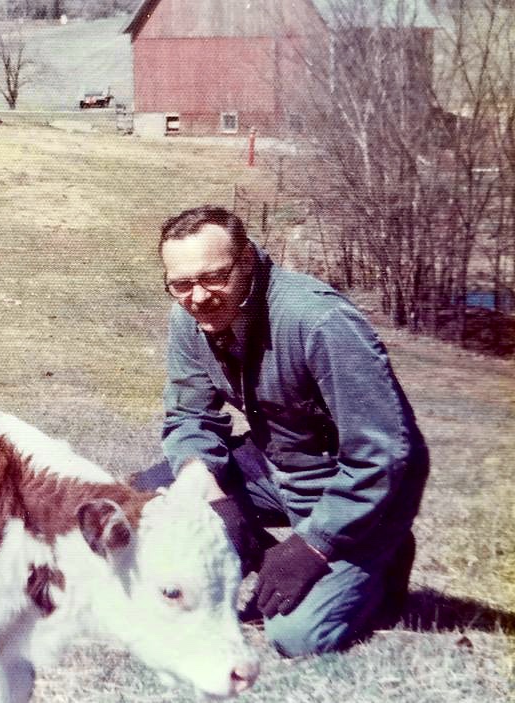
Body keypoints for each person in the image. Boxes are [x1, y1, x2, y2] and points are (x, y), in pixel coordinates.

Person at [130, 205, 429, 657]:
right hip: (278, 461)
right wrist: (209, 492)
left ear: (247, 260)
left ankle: (382, 559)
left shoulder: (320, 320)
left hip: (363, 484)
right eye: (182, 284)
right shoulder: (189, 319)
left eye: (215, 277)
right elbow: (189, 417)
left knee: (296, 635)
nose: (199, 297)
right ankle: (261, 549)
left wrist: (314, 546)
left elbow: (382, 455)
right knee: (150, 498)